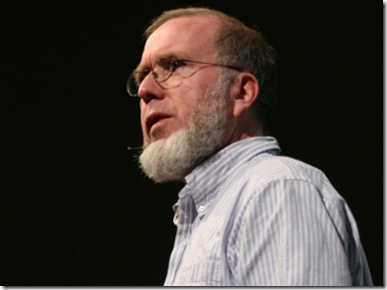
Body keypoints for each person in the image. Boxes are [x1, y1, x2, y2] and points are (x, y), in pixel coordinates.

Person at [126, 7, 373, 286]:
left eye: (173, 65)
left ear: (242, 91)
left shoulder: (275, 189)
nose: (146, 89)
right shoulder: (207, 214)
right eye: (142, 76)